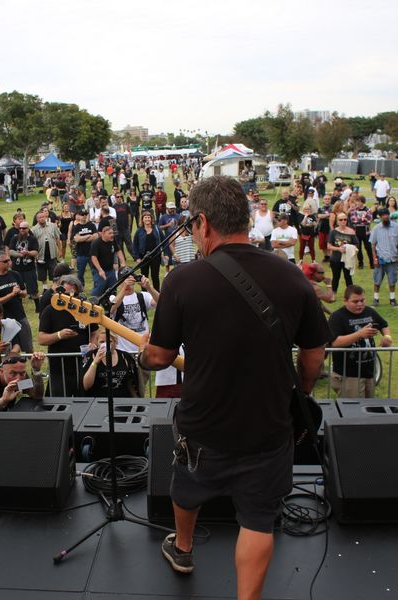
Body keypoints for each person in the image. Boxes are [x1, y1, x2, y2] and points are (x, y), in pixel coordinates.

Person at [137, 176, 329, 598]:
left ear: (204, 223)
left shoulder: (183, 280)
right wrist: (301, 391)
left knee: (187, 488)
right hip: (269, 426)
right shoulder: (291, 276)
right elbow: (314, 354)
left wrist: (142, 356)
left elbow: (160, 357)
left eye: (192, 226)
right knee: (258, 519)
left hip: (204, 425)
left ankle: (183, 548)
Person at [328, 285, 392, 398]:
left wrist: (387, 337)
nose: (360, 304)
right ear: (345, 301)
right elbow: (335, 342)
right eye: (355, 301)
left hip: (369, 371)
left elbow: (384, 325)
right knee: (353, 407)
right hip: (348, 375)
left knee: (369, 405)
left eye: (362, 300)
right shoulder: (337, 317)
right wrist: (359, 334)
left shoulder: (369, 311)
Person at [38, 275, 95, 397]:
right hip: (59, 368)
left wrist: (92, 344)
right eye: (66, 294)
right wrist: (59, 335)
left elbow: (94, 331)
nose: (70, 298)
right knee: (60, 400)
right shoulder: (50, 310)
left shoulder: (85, 308)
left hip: (83, 365)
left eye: (74, 294)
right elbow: (41, 339)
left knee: (85, 400)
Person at [0, 249, 33, 353]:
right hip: (5, 320)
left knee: (28, 347)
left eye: (9, 260)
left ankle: (33, 364)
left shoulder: (15, 274)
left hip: (20, 315)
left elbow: (25, 292)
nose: (9, 262)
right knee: (9, 350)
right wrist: (12, 294)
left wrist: (20, 292)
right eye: (5, 261)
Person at [81, 330, 140, 397]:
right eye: (102, 342)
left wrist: (136, 400)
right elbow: (86, 386)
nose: (106, 344)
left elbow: (131, 383)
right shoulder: (90, 356)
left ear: (115, 342)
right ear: (97, 343)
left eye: (109, 341)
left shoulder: (125, 356)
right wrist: (95, 362)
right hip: (98, 400)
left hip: (122, 400)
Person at [368, 207, 398, 307]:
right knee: (377, 280)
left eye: (387, 214)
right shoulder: (376, 228)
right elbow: (373, 244)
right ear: (380, 217)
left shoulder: (396, 227)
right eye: (383, 215)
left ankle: (392, 299)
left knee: (392, 281)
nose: (386, 217)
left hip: (392, 258)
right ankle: (376, 299)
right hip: (380, 258)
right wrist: (374, 258)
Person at [89, 224, 124, 299]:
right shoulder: (96, 243)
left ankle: (111, 304)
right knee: (99, 288)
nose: (112, 235)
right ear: (103, 233)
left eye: (112, 233)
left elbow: (118, 251)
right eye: (110, 233)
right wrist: (100, 270)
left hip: (110, 270)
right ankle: (94, 303)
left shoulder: (112, 241)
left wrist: (123, 262)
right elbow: (94, 258)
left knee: (113, 288)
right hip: (99, 271)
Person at [326, 212, 357, 294]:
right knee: (336, 277)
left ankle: (350, 295)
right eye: (341, 220)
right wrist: (338, 249)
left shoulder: (351, 232)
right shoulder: (333, 232)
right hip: (336, 259)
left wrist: (349, 248)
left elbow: (356, 244)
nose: (343, 221)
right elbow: (329, 246)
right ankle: (333, 294)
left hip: (347, 259)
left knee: (348, 277)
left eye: (345, 219)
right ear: (337, 221)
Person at [132, 211, 163, 290]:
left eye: (149, 217)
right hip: (143, 257)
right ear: (142, 219)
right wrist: (137, 258)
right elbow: (135, 245)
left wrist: (165, 254)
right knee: (144, 277)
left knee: (155, 276)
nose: (147, 219)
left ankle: (157, 293)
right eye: (145, 217)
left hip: (156, 256)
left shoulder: (157, 229)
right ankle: (144, 293)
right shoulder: (139, 231)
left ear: (151, 219)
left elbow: (164, 240)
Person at [70, 209, 98, 288]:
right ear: (79, 216)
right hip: (81, 254)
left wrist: (82, 238)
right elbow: (76, 239)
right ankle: (81, 288)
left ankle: (96, 287)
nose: (84, 216)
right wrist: (88, 235)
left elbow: (96, 236)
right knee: (80, 273)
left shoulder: (91, 225)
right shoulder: (76, 227)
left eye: (86, 214)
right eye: (83, 215)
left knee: (95, 272)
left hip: (92, 253)